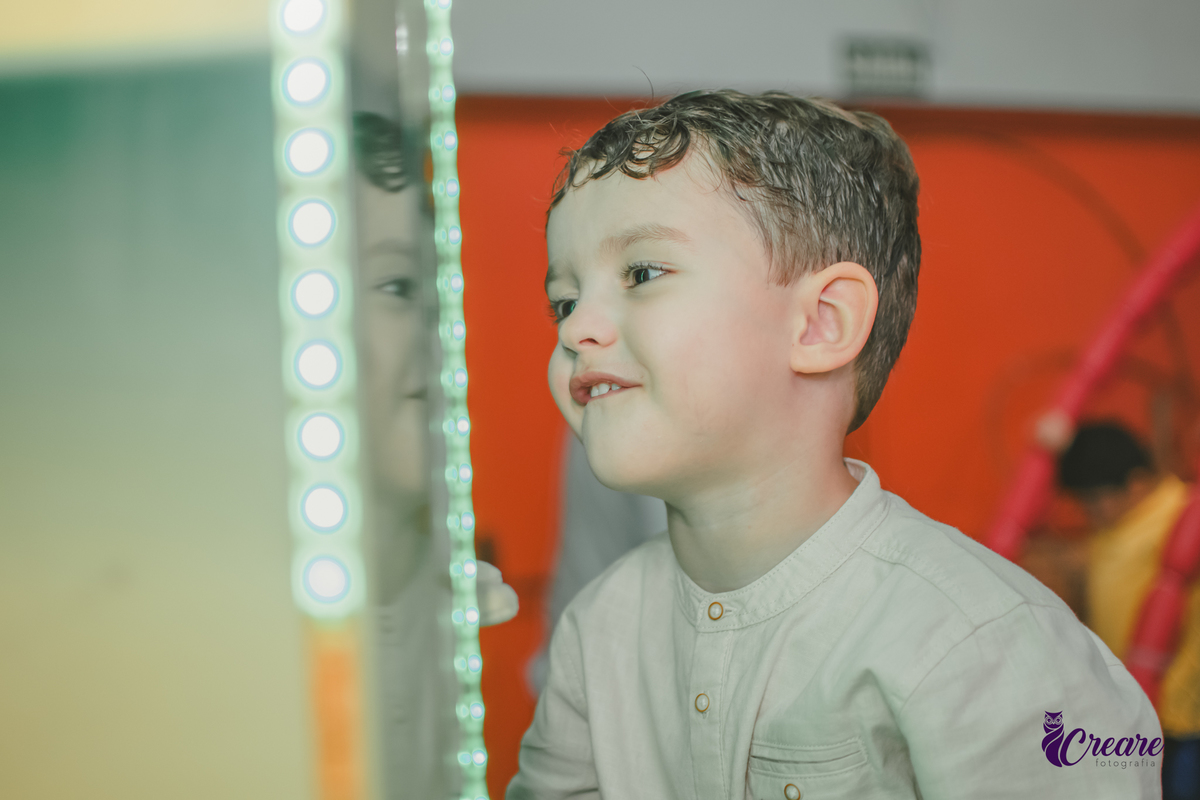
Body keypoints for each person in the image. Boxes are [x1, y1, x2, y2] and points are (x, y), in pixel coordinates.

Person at [507, 90, 1161, 798]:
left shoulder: (988, 645)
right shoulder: (598, 629)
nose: (575, 331)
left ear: (820, 324)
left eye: (641, 273)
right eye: (564, 301)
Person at [1059, 422, 1200, 800]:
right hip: (1130, 701)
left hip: (1180, 713)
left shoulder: (1181, 515)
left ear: (1137, 483)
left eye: (1096, 500)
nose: (1090, 512)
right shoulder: (1114, 526)